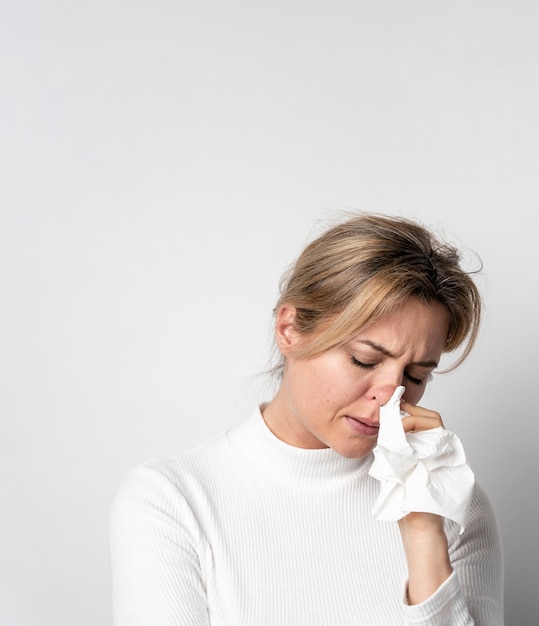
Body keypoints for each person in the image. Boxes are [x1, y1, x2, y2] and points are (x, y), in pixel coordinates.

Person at [109, 213, 504, 625]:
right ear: (289, 329)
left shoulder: (452, 504)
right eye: (363, 359)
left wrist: (425, 538)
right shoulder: (173, 500)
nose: (391, 398)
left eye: (416, 374)